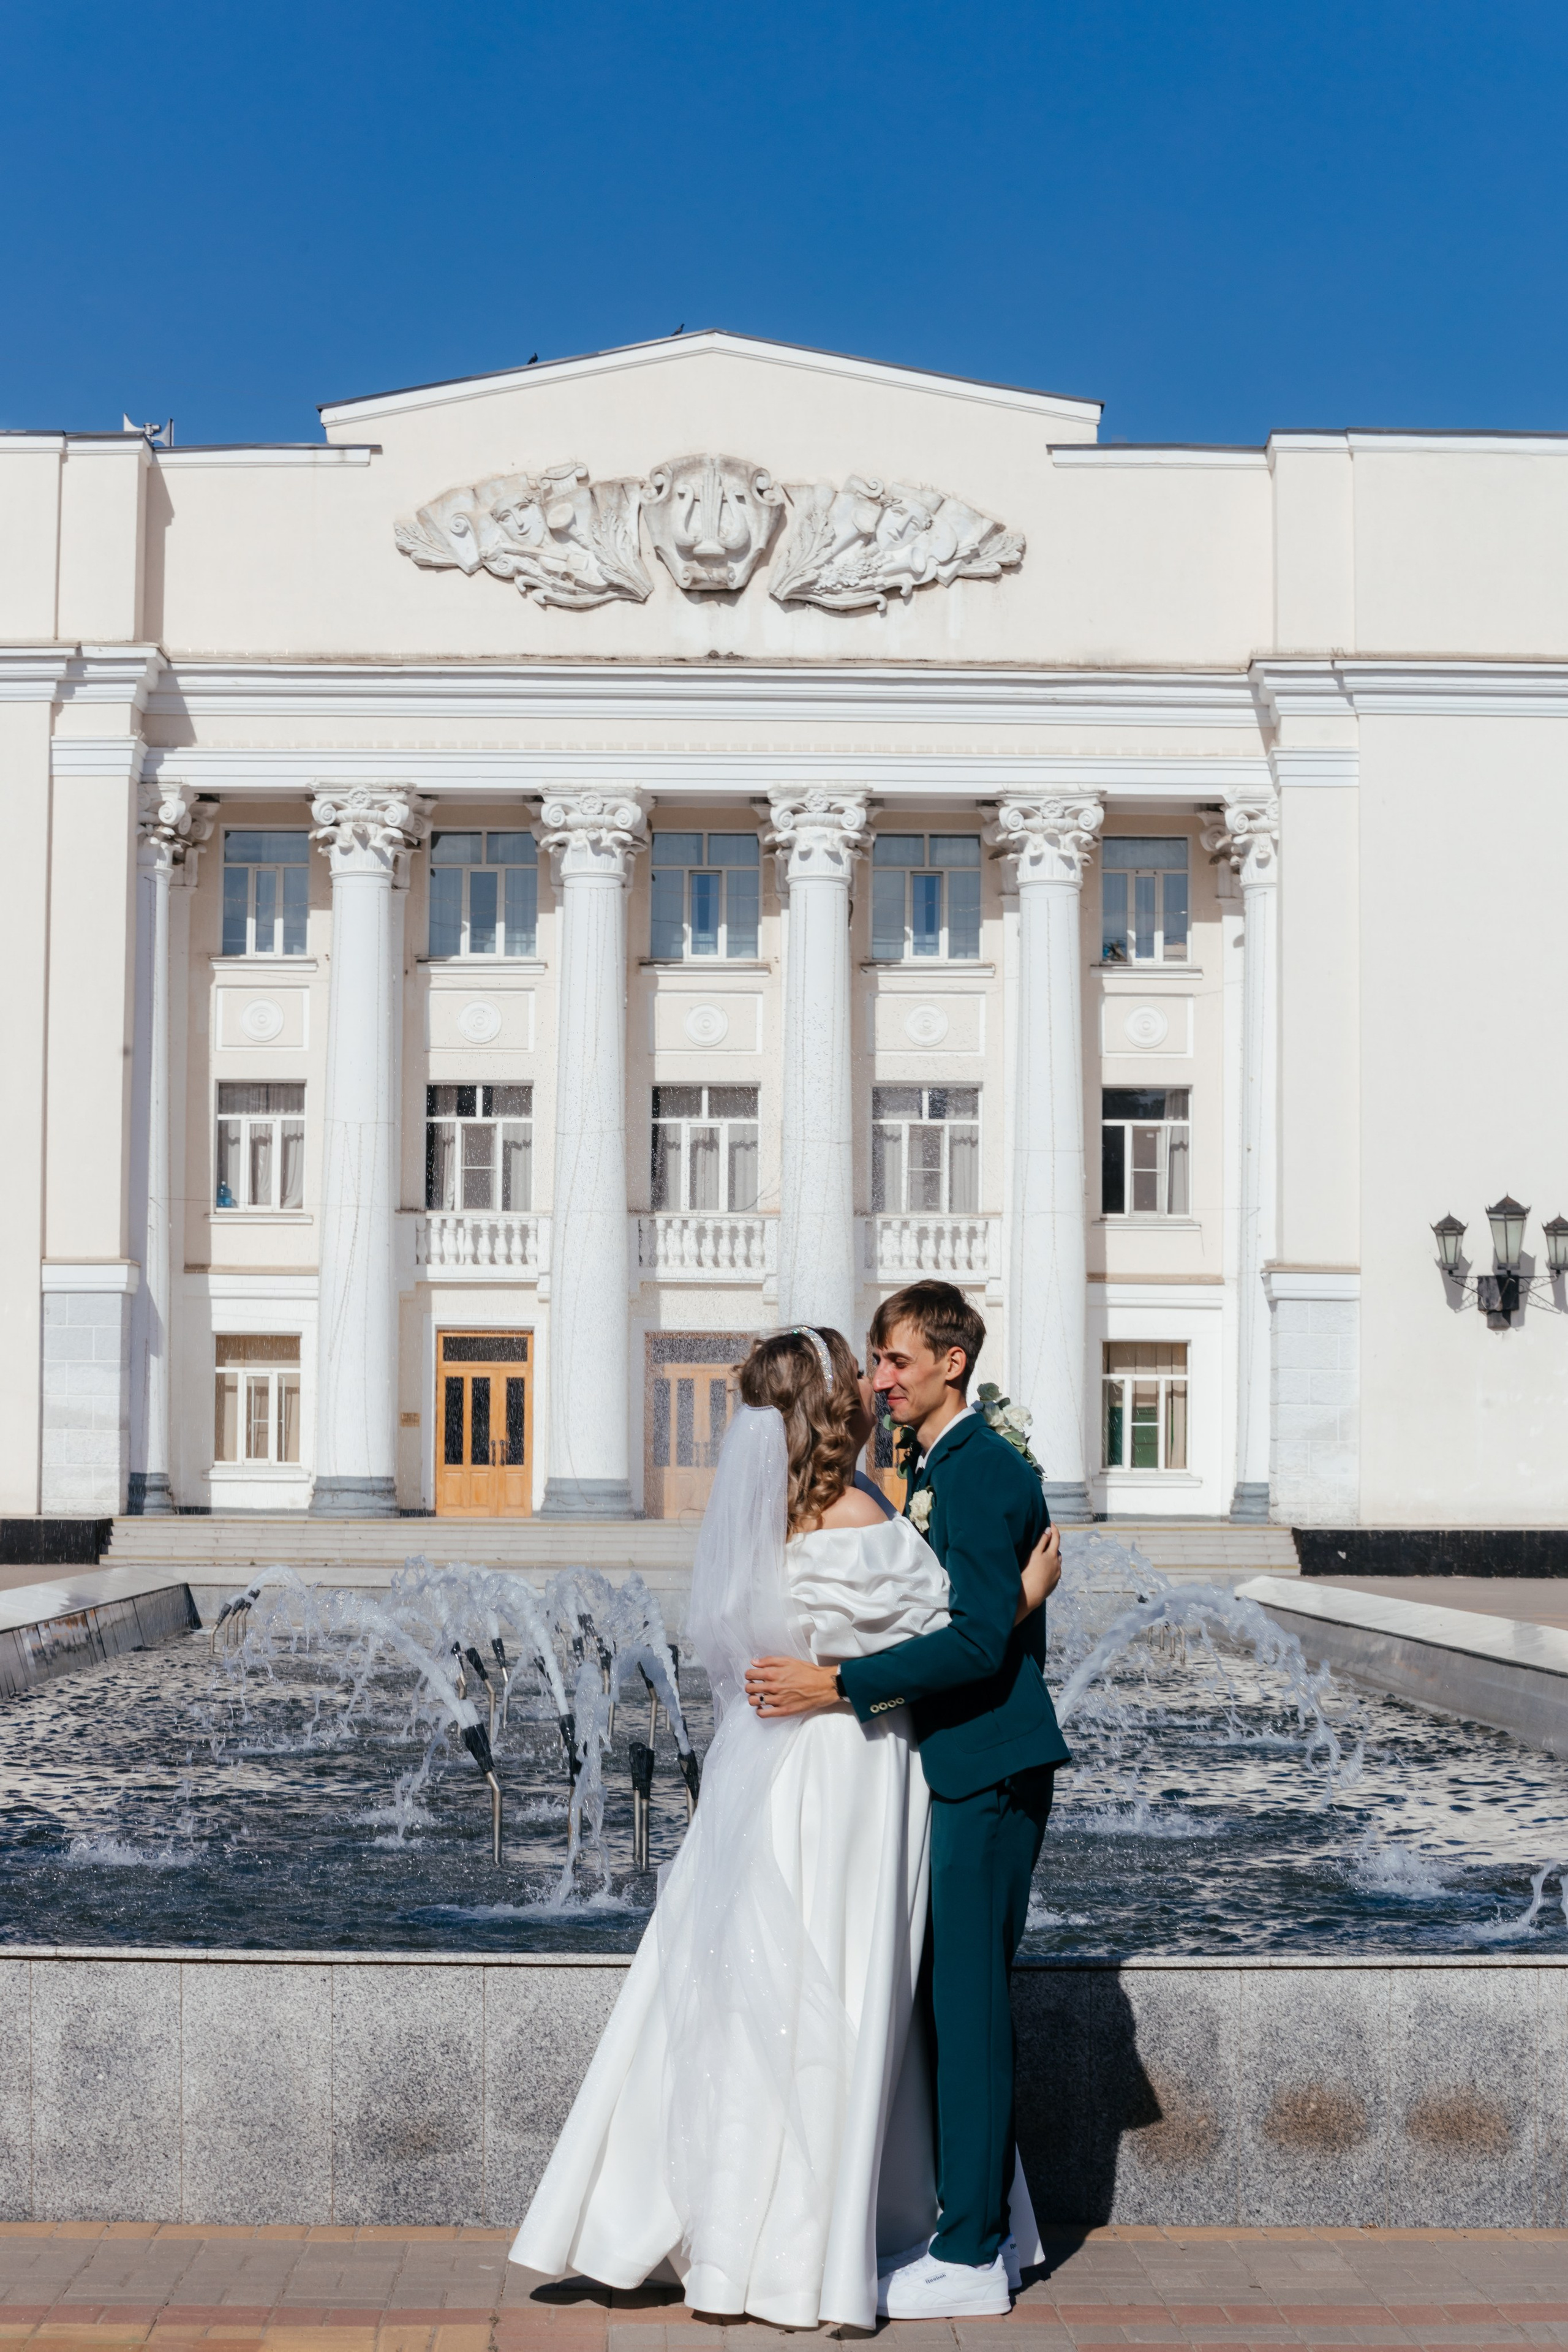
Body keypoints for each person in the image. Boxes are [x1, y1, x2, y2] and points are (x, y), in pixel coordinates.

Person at [510, 1324, 1058, 2330]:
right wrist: (1024, 1593)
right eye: (857, 1373)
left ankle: (718, 2226)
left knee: (752, 1989)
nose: (869, 1385)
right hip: (853, 1771)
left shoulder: (762, 1525)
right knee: (847, 1990)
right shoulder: (860, 1513)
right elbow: (956, 1632)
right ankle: (826, 2230)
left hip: (771, 1777)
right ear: (831, 1404)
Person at [745, 1281, 1071, 2320]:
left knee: (967, 2012)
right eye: (874, 1364)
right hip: (960, 1760)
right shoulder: (936, 1466)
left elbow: (976, 1638)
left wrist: (838, 1685)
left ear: (950, 1365)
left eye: (893, 1361)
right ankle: (988, 2230)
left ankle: (971, 2254)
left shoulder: (976, 1472)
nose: (878, 1381)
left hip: (985, 1762)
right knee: (952, 2007)